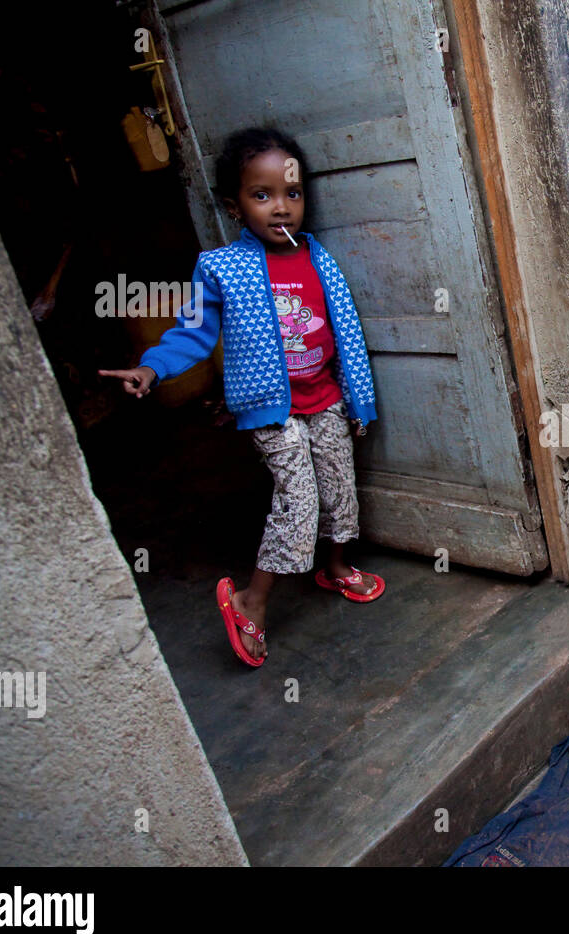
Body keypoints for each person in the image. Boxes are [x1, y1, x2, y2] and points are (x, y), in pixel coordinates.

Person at [100, 128, 384, 668]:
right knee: (297, 501)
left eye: (292, 194)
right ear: (234, 206)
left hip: (324, 400)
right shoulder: (222, 268)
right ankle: (250, 599)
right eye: (262, 195)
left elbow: (346, 334)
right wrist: (151, 367)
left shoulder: (318, 258)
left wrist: (358, 400)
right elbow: (192, 332)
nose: (282, 208)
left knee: (340, 488)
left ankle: (337, 567)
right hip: (271, 412)